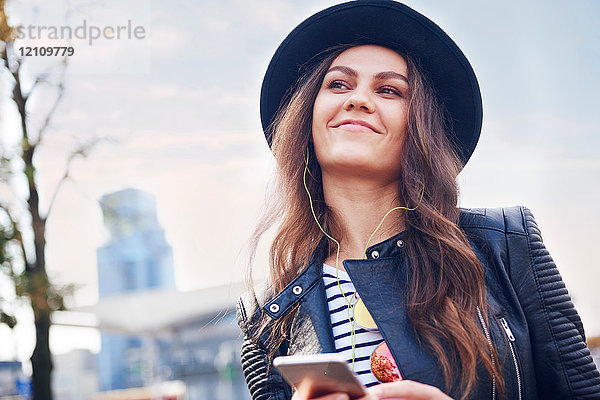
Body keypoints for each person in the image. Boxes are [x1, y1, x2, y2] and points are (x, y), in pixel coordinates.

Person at [236, 1, 600, 399]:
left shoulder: (508, 244)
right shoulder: (268, 315)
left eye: (389, 90)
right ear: (307, 115)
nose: (357, 100)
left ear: (422, 128)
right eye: (338, 84)